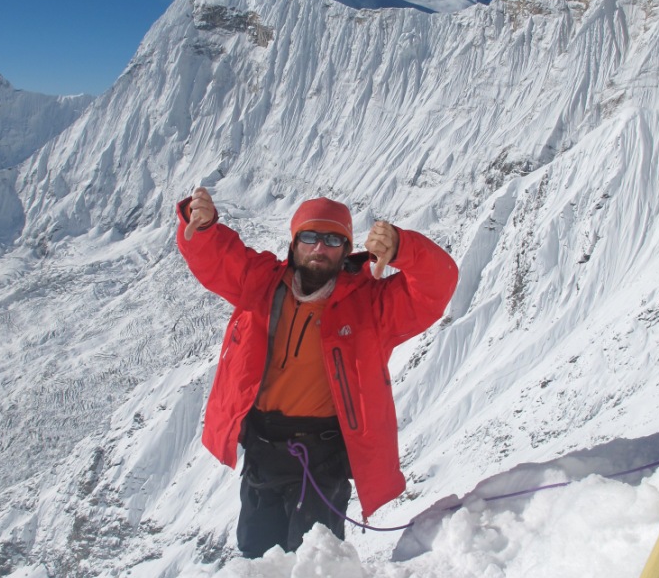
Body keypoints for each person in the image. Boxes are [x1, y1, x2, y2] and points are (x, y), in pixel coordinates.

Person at [176, 187, 458, 558]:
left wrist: (405, 249)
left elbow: (437, 285)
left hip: (322, 459)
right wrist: (204, 224)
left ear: (346, 249)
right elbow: (216, 258)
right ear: (293, 244)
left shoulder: (371, 305)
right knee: (255, 558)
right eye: (309, 237)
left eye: (332, 240)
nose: (319, 248)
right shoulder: (261, 283)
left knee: (314, 565)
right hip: (263, 450)